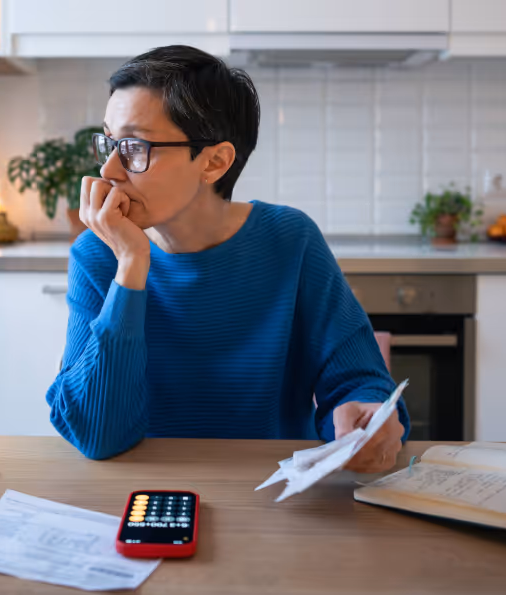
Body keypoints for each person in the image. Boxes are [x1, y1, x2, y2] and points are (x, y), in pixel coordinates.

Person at [45, 45, 410, 469]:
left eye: (133, 147)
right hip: (143, 493)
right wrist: (130, 268)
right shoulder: (99, 254)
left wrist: (363, 414)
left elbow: (359, 379)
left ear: (214, 162)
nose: (109, 170)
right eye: (109, 142)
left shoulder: (290, 241)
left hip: (274, 497)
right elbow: (95, 435)